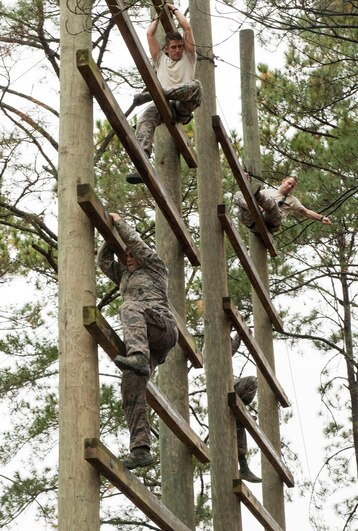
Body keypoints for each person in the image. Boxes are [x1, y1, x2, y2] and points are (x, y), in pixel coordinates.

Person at [97, 213, 178, 469]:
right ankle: (141, 448)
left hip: (162, 327)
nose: (129, 258)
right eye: (126, 255)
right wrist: (109, 239)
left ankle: (139, 357)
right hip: (146, 344)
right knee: (131, 386)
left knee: (129, 307)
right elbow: (103, 261)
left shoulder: (155, 266)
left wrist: (118, 222)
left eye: (132, 255)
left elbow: (136, 243)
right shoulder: (124, 276)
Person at [126, 3, 202, 184]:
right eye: (174, 47)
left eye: (180, 47)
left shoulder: (189, 57)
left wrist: (174, 9)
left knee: (196, 85)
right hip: (163, 104)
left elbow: (187, 27)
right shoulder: (160, 60)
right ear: (166, 49)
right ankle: (142, 165)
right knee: (144, 118)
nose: (177, 50)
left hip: (183, 104)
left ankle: (152, 95)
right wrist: (159, 15)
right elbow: (149, 34)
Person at [236, 176, 332, 233]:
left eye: (292, 186)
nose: (290, 186)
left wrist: (321, 218)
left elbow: (306, 212)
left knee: (270, 202)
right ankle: (254, 206)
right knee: (238, 194)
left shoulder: (292, 200)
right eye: (289, 183)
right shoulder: (267, 191)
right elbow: (249, 197)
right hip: (252, 221)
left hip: (270, 223)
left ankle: (257, 205)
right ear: (283, 181)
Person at [234, 376, 262, 483]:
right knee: (252, 381)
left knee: (238, 421)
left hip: (231, 387)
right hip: (221, 388)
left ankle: (244, 467)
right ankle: (244, 467)